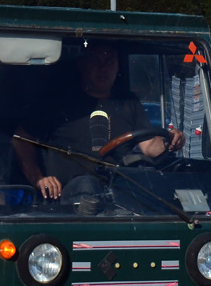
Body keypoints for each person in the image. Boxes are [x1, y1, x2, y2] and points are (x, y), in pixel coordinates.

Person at [14, 43, 185, 201]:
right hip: (67, 201)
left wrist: (170, 141)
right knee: (85, 185)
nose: (103, 68)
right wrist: (39, 179)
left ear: (118, 67)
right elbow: (20, 139)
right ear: (81, 65)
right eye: (96, 61)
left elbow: (149, 148)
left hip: (120, 196)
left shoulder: (128, 102)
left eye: (110, 62)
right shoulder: (57, 101)